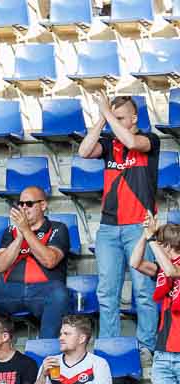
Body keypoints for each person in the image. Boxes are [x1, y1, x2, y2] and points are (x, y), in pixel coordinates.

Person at [80, 93, 160, 355]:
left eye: (121, 117)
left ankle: (147, 346)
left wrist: (107, 113)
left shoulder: (149, 139)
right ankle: (110, 347)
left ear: (134, 118)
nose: (115, 121)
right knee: (107, 292)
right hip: (108, 228)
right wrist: (103, 118)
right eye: (113, 117)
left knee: (144, 291)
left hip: (139, 227)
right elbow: (83, 151)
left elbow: (129, 140)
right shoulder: (109, 141)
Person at [0, 188, 73, 345]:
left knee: (59, 293)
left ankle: (45, 349)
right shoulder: (11, 231)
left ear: (43, 205)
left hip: (43, 290)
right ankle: (1, 347)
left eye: (29, 204)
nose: (23, 208)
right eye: (20, 204)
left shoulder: (57, 228)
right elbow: (1, 265)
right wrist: (20, 235)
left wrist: (26, 231)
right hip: (12, 290)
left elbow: (50, 260)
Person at [136, 218, 180, 384]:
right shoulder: (164, 270)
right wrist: (145, 237)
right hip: (163, 356)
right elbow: (135, 262)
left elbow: (173, 271)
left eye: (162, 244)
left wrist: (153, 240)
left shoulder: (173, 269)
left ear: (169, 245)